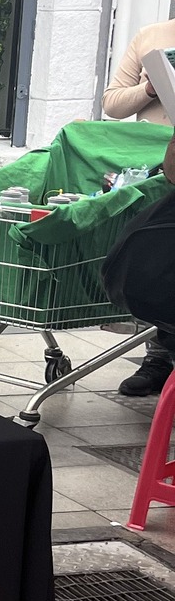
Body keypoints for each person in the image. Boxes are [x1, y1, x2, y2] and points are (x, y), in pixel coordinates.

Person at [103, 19, 175, 393]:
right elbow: (112, 103)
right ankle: (157, 357)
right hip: (157, 164)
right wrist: (149, 87)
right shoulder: (153, 36)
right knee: (155, 260)